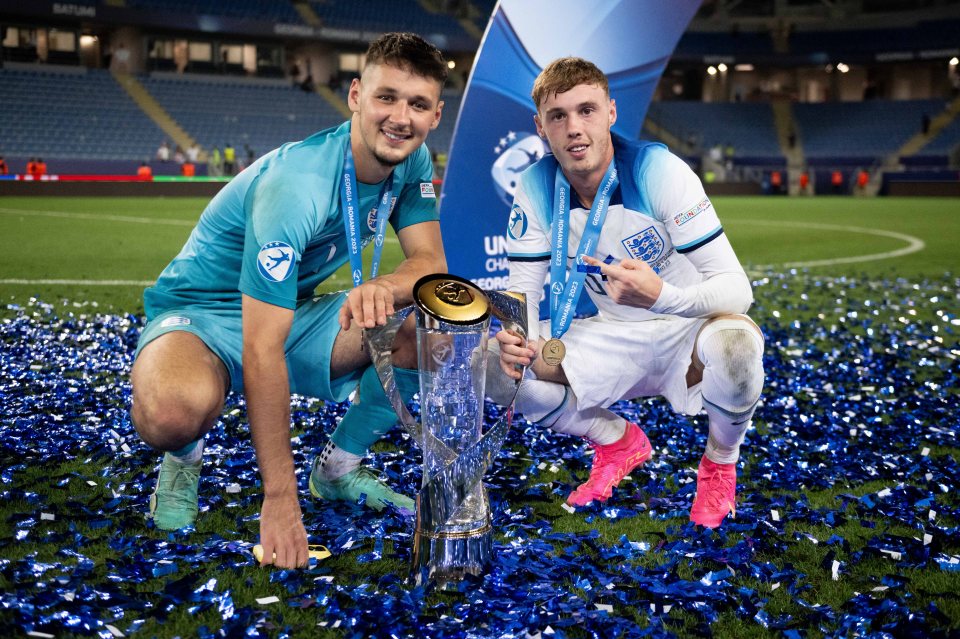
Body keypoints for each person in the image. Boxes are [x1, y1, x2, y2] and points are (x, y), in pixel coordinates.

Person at [129, 32, 448, 568]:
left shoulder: (411, 163)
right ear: (354, 97)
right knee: (171, 413)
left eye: (417, 104)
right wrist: (279, 499)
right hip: (201, 317)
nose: (400, 117)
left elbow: (430, 266)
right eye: (386, 97)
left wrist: (384, 287)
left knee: (430, 333)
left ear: (435, 116)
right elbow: (260, 349)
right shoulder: (297, 186)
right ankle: (183, 459)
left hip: (288, 312)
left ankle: (338, 470)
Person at [487, 57, 764, 529]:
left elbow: (738, 289)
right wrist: (517, 337)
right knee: (489, 364)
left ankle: (720, 462)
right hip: (613, 333)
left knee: (737, 345)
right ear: (541, 126)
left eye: (587, 110)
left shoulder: (657, 169)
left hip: (687, 329)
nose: (575, 128)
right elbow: (525, 292)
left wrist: (662, 297)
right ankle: (615, 440)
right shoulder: (534, 185)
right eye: (558, 116)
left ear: (611, 113)